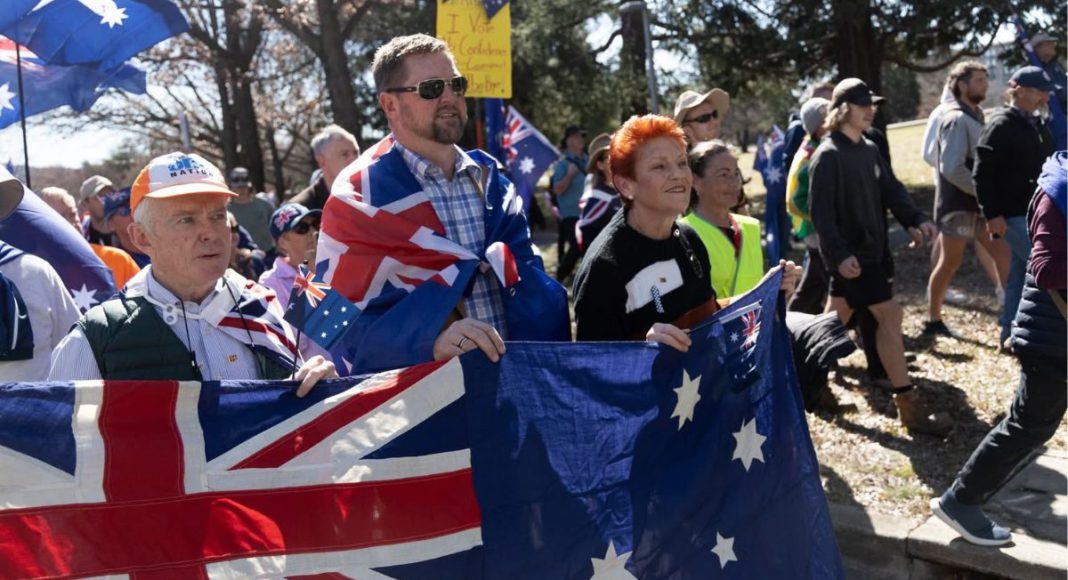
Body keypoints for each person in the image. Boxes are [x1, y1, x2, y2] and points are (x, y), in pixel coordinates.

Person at [319, 33, 569, 373]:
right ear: (389, 105)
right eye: (432, 89)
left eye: (457, 85)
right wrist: (428, 343)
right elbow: (329, 322)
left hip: (516, 390)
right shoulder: (356, 196)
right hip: (429, 407)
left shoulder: (494, 181)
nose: (450, 97)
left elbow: (531, 283)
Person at [48, 152, 336, 392]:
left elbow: (342, 352)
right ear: (141, 238)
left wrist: (323, 389)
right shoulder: (97, 337)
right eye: (187, 219)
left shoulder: (262, 304)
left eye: (218, 216)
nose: (210, 232)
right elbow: (56, 443)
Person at [932, 151, 1066, 546]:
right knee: (1030, 426)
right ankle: (960, 501)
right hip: (1052, 338)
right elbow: (1047, 268)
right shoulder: (1058, 188)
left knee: (1032, 424)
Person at [573, 114, 795, 345]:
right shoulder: (604, 268)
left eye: (682, 163)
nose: (678, 174)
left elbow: (710, 317)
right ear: (626, 185)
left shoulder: (689, 240)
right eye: (659, 166)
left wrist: (766, 291)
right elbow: (592, 369)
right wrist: (641, 352)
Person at [809, 78, 951, 435]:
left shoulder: (870, 148)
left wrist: (915, 219)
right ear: (842, 110)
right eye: (863, 105)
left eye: (871, 105)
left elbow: (891, 190)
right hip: (852, 258)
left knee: (834, 320)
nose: (870, 111)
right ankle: (909, 407)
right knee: (890, 316)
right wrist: (839, 256)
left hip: (874, 252)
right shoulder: (827, 155)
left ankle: (807, 382)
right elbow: (821, 216)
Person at [975, 66, 1057, 350]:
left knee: (1021, 275)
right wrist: (992, 213)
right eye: (1039, 91)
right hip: (1012, 215)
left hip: (1036, 214)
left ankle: (1009, 333)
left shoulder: (1037, 123)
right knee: (1050, 266)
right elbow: (982, 173)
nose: (1045, 97)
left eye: (1047, 91)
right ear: (1019, 90)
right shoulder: (1000, 125)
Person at [926, 61, 1009, 339]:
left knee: (1003, 254)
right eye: (979, 80)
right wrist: (983, 191)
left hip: (980, 207)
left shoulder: (976, 114)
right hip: (959, 208)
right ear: (962, 85)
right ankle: (933, 318)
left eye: (985, 80)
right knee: (950, 261)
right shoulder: (955, 118)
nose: (985, 85)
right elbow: (951, 168)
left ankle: (1012, 314)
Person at [682, 140, 764, 299]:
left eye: (736, 174)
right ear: (695, 181)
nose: (734, 183)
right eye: (724, 175)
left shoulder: (751, 227)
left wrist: (779, 284)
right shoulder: (683, 236)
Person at [39, 186, 141, 288]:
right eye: (59, 217)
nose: (70, 223)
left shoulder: (118, 260)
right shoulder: (38, 271)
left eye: (73, 214)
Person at [786, 97, 832, 314]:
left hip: (817, 228)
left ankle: (790, 322)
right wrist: (821, 216)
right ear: (820, 125)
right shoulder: (812, 154)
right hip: (816, 229)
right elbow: (795, 199)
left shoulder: (818, 146)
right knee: (835, 281)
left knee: (814, 282)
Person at [259, 203, 321, 309]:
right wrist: (312, 272)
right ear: (283, 242)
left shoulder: (333, 262)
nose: (313, 232)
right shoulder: (271, 281)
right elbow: (323, 323)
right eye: (302, 228)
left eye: (315, 224)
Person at [289, 125, 361, 210]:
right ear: (322, 161)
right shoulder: (301, 208)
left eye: (356, 153)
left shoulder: (371, 194)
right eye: (345, 154)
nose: (354, 159)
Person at [551, 125, 588, 283]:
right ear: (568, 141)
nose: (580, 139)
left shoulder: (589, 160)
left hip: (589, 213)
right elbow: (557, 189)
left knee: (587, 247)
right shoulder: (562, 164)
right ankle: (559, 277)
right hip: (570, 214)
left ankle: (586, 279)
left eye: (581, 136)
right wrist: (570, 175)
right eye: (576, 136)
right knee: (577, 246)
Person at [575, 132, 620, 253]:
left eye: (618, 154)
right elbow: (587, 241)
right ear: (600, 165)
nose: (616, 159)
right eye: (610, 156)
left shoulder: (627, 191)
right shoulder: (598, 198)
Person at [226, 167, 276, 258]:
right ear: (231, 187)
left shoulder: (263, 204)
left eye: (244, 187)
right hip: (242, 257)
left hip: (268, 254)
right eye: (238, 187)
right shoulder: (227, 210)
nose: (241, 190)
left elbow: (277, 226)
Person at [100, 187, 152, 268]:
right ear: (110, 225)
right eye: (125, 210)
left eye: (137, 206)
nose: (133, 213)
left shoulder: (166, 244)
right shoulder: (116, 264)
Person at [1030, 32, 1066, 112]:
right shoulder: (1033, 71)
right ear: (1038, 48)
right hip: (1053, 115)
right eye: (1048, 43)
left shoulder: (1057, 65)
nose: (1053, 45)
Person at [227, 211, 266, 281]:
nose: (233, 234)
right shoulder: (212, 268)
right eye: (227, 230)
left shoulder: (253, 260)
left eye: (235, 229)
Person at [78, 175, 115, 245]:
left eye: (110, 195)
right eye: (101, 197)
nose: (107, 201)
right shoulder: (80, 237)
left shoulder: (127, 229)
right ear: (85, 203)